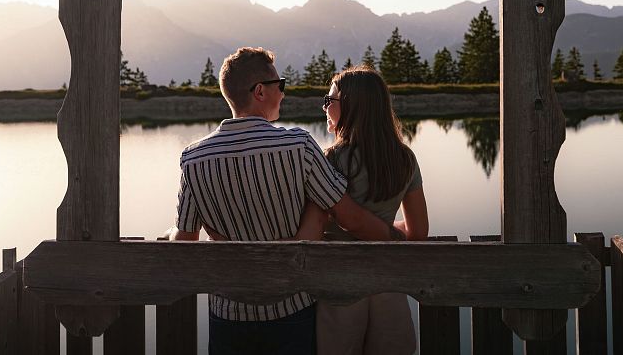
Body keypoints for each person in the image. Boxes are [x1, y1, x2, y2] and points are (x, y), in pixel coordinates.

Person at [165, 47, 396, 355]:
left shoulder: (193, 158)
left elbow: (185, 242)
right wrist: (398, 237)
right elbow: (348, 217)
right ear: (260, 91)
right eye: (280, 85)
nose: (284, 94)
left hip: (229, 316)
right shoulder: (298, 146)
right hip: (292, 311)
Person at [316, 66, 429, 355]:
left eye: (330, 101)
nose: (325, 107)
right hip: (387, 283)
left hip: (339, 285)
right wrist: (390, 231)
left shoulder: (330, 160)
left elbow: (316, 230)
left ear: (352, 106)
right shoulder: (404, 159)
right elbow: (418, 232)